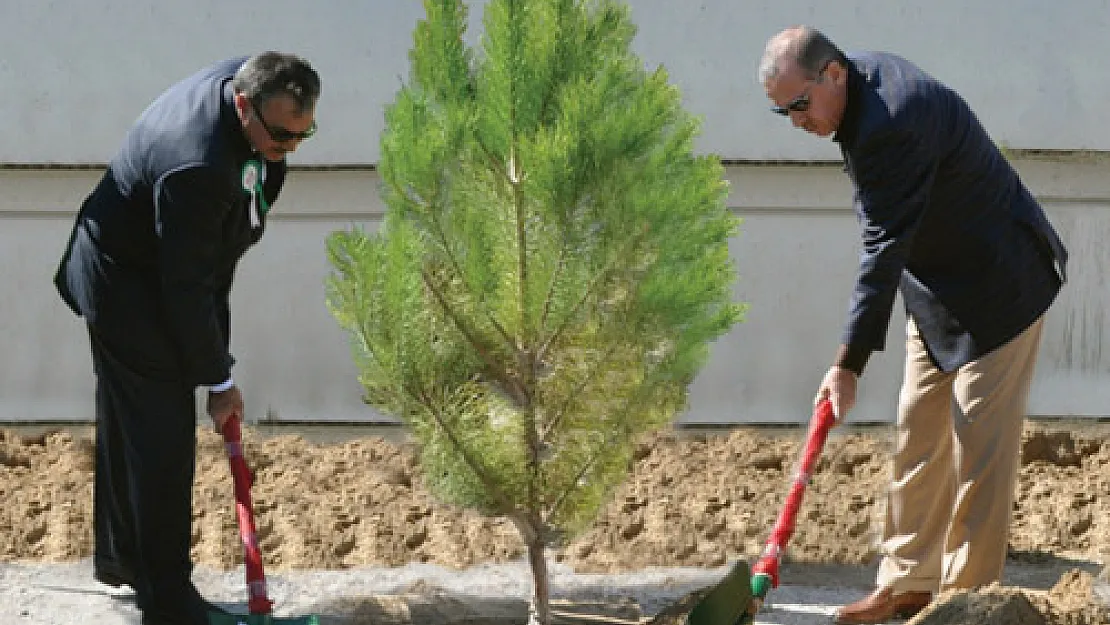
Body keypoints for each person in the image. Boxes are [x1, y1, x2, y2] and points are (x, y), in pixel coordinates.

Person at [758, 27, 1067, 625]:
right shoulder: (853, 100)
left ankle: (965, 604)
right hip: (937, 286)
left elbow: (881, 247)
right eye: (781, 110)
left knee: (978, 448)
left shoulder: (892, 120)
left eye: (799, 104)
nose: (794, 120)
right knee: (917, 435)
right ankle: (908, 586)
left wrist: (846, 365)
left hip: (1001, 284)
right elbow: (893, 240)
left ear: (834, 75)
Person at [54, 52, 320, 625]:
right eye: (279, 135)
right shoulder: (195, 165)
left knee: (133, 423)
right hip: (126, 284)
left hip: (158, 266)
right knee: (161, 435)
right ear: (243, 105)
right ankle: (167, 598)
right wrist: (219, 378)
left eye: (304, 134)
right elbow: (188, 287)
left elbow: (206, 268)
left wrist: (268, 160)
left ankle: (123, 560)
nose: (290, 146)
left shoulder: (251, 79)